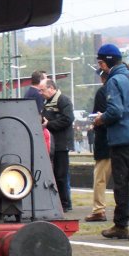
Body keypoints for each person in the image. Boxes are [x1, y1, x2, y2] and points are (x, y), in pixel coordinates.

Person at [93, 44, 129, 241]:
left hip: (123, 139)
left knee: (122, 183)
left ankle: (121, 225)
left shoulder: (114, 80)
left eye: (100, 62)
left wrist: (101, 118)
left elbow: (116, 111)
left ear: (105, 62)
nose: (100, 66)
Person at [41, 79, 74, 212]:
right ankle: (57, 202)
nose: (40, 93)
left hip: (61, 143)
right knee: (54, 174)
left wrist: (49, 124)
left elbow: (68, 119)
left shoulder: (63, 100)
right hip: (52, 143)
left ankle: (65, 204)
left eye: (42, 90)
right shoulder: (47, 102)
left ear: (51, 88)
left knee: (61, 175)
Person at [85, 69, 110, 222]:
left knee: (100, 178)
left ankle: (99, 209)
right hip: (123, 141)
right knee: (128, 178)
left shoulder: (103, 92)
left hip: (105, 141)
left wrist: (95, 122)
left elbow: (98, 115)